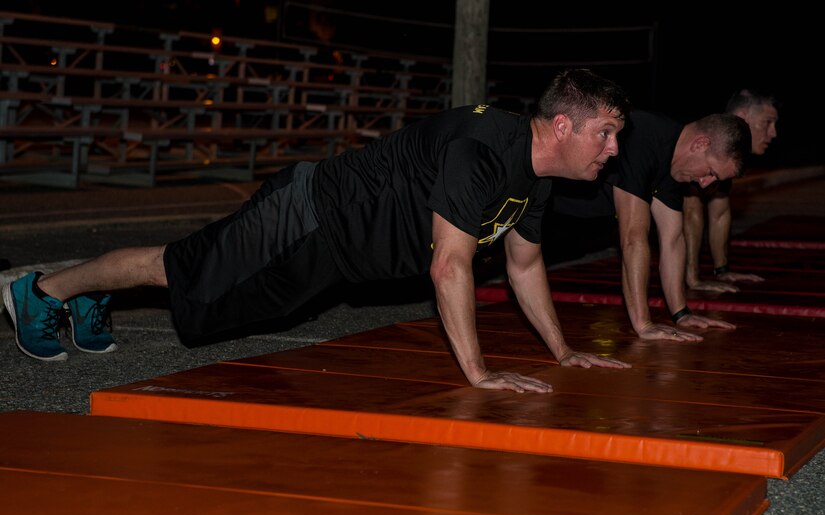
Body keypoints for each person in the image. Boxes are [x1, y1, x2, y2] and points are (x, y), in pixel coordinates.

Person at [3, 68, 633, 393]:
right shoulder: (484, 152)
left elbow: (523, 265)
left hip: (337, 255)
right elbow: (450, 266)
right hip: (306, 214)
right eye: (604, 134)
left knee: (215, 312)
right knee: (179, 267)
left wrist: (564, 352)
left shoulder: (537, 181)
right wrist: (478, 374)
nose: (611, 150)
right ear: (560, 127)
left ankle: (85, 296)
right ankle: (44, 290)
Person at [551, 109, 752, 341]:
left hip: (552, 206)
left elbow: (673, 240)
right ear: (700, 144)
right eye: (710, 172)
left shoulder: (675, 166)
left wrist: (681, 314)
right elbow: (633, 237)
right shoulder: (643, 136)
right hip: (525, 186)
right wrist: (644, 324)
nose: (706, 184)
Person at [683, 89, 779, 291]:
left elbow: (720, 212)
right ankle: (689, 274)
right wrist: (693, 279)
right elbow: (691, 210)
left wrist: (722, 270)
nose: (773, 133)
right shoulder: (711, 141)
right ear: (742, 117)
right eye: (767, 123)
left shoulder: (731, 148)